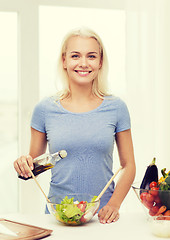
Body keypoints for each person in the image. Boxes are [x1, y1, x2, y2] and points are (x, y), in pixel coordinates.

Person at [14, 27, 136, 224]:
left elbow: (128, 165)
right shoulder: (44, 109)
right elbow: (34, 167)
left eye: (91, 56)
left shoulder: (117, 108)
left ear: (100, 62)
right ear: (64, 61)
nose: (83, 63)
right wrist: (23, 165)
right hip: (58, 216)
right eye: (75, 56)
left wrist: (114, 204)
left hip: (102, 218)